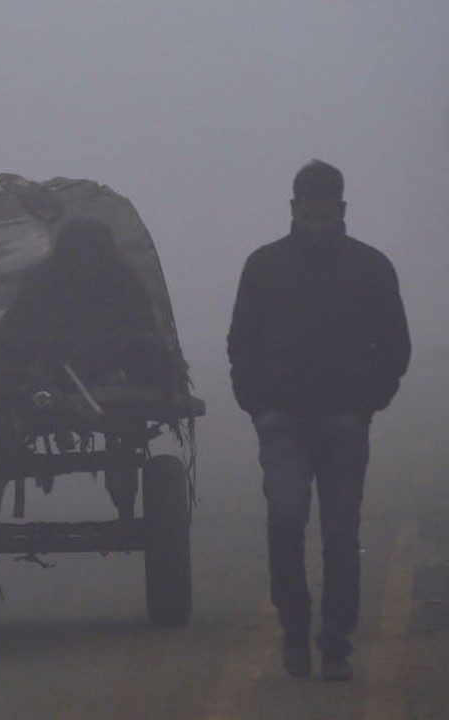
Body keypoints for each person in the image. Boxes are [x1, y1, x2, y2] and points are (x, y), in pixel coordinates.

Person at [227, 159, 410, 681]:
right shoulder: (263, 266)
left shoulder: (371, 267)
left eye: (324, 216)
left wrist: (365, 403)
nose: (316, 224)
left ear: (341, 210)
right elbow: (241, 343)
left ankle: (335, 644)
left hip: (343, 423)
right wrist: (258, 405)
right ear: (292, 209)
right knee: (285, 521)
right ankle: (294, 625)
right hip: (281, 421)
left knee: (340, 535)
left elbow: (395, 346)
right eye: (308, 215)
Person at [0, 217, 163, 394]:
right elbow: (13, 325)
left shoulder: (124, 279)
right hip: (51, 358)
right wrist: (48, 346)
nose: (87, 257)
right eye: (79, 250)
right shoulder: (43, 277)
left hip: (106, 358)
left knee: (144, 347)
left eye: (95, 251)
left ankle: (107, 377)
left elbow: (141, 326)